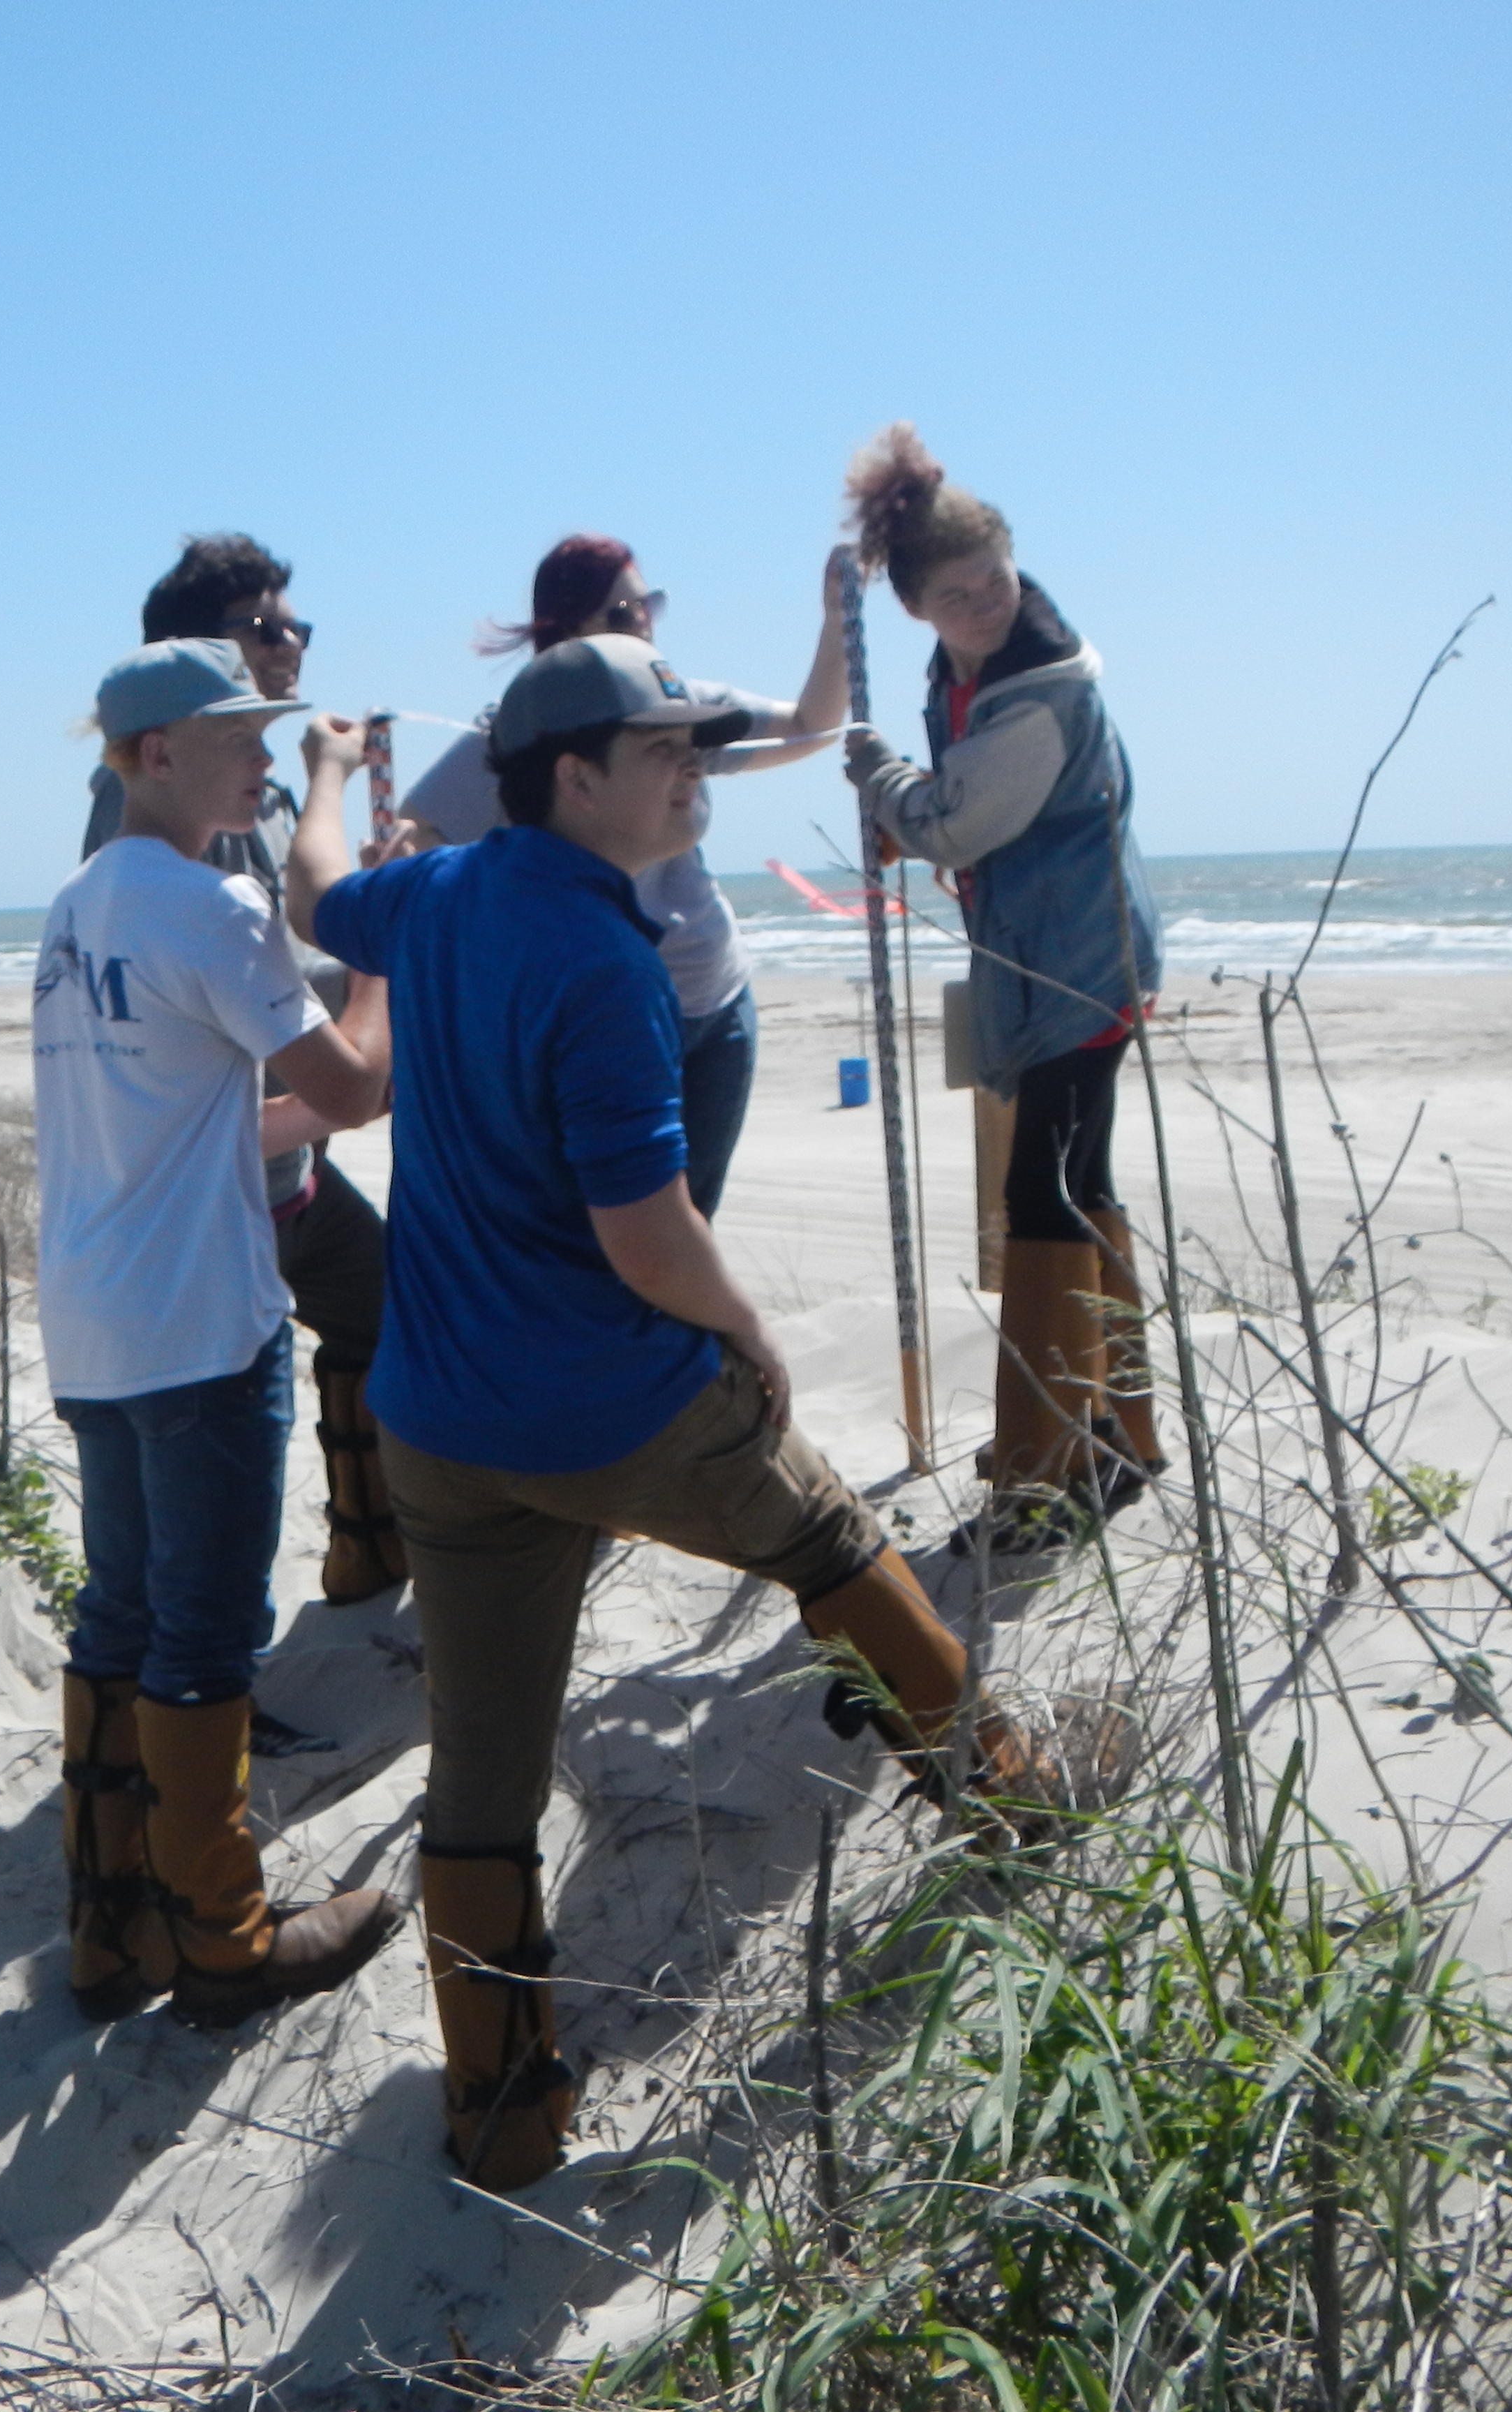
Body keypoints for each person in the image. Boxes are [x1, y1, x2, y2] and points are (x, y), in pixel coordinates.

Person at [283, 632, 1051, 2190]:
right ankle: (1012, 1810)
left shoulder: (432, 896)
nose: (696, 768)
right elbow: (644, 1231)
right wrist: (749, 1328)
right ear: (574, 780)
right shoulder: (608, 966)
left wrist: (327, 777)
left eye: (699, 745)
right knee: (830, 1539)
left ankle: (500, 2118)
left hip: (440, 1422)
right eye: (664, 751)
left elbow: (313, 898)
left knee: (482, 1775)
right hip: (609, 1404)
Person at [38, 637, 403, 2030]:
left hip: (94, 1311)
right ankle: (227, 1944)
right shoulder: (212, 904)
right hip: (196, 1314)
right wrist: (371, 945)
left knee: (121, 1610)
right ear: (149, 756)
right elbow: (356, 1089)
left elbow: (188, 1118)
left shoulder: (76, 906)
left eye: (266, 733)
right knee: (201, 1629)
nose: (261, 754)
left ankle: (108, 1932)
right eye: (233, 733)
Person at [837, 424, 1166, 1554]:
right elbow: (962, 817)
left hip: (1074, 963)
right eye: (955, 592)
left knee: (1043, 1197)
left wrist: (882, 783)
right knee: (1079, 1178)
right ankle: (1117, 1426)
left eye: (993, 581)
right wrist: (917, 814)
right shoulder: (970, 668)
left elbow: (960, 813)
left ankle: (1042, 1474)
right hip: (1055, 952)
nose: (983, 602)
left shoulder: (1033, 690)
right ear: (917, 606)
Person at [83, 536, 407, 1607]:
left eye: (294, 625)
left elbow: (289, 940)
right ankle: (207, 1701)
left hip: (287, 1160)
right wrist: (378, 956)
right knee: (210, 1475)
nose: (291, 645)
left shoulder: (251, 792)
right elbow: (196, 973)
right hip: (225, 1176)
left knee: (384, 1309)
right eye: (265, 627)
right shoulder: (156, 811)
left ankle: (367, 1548)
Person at [392, 537, 852, 1217]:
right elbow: (416, 832)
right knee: (613, 1227)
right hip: (607, 1013)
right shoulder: (519, 735)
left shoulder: (678, 707)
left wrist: (838, 621)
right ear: (568, 630)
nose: (645, 625)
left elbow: (810, 727)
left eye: (647, 607)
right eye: (624, 613)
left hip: (716, 1002)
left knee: (691, 1222)